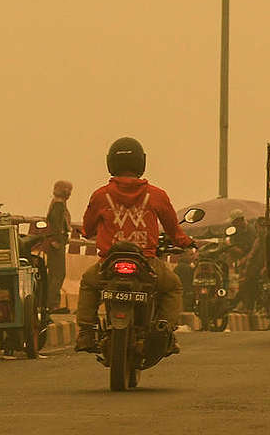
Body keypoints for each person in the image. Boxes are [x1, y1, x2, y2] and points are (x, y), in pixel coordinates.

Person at [75, 138, 195, 353]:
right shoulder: (157, 195)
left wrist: (87, 233)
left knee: (89, 283)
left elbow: (88, 228)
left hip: (109, 264)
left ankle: (85, 333)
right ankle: (165, 331)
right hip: (145, 262)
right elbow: (173, 230)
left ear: (111, 163)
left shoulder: (101, 195)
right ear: (141, 162)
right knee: (173, 286)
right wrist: (186, 243)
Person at [45, 180, 73, 313]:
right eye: (67, 189)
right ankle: (52, 304)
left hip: (55, 242)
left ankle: (51, 303)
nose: (69, 193)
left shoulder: (57, 203)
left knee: (55, 274)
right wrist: (57, 240)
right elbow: (56, 225)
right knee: (58, 274)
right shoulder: (58, 204)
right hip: (56, 244)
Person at [226, 210, 262, 312]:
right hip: (241, 262)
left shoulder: (251, 231)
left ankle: (242, 305)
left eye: (234, 222)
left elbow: (253, 250)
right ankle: (241, 305)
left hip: (253, 263)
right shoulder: (235, 232)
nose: (233, 224)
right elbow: (233, 246)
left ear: (240, 220)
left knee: (247, 283)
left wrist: (245, 259)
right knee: (241, 284)